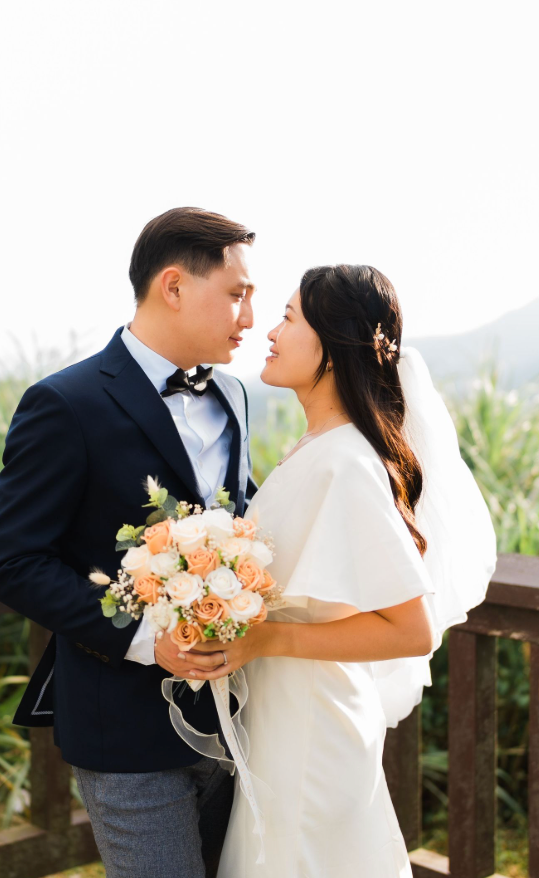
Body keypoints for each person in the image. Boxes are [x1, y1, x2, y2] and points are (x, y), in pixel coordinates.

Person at [185, 264, 497, 877]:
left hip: (313, 729)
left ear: (333, 344)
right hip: (283, 718)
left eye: (289, 318)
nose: (268, 331)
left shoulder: (347, 463)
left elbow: (412, 630)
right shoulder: (316, 448)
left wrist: (269, 637)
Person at [0, 207, 258, 878]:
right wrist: (143, 639)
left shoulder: (237, 397)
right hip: (122, 728)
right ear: (173, 286)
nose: (248, 317)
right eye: (236, 294)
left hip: (234, 722)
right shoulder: (64, 402)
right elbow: (15, 562)